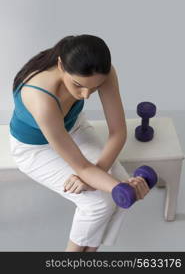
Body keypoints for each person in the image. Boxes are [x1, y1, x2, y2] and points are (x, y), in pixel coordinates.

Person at [9, 34, 149, 252]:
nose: (85, 96)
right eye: (78, 85)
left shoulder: (105, 72)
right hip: (34, 148)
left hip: (73, 128)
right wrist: (116, 186)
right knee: (98, 203)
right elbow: (81, 167)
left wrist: (110, 181)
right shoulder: (39, 96)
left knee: (117, 193)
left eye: (94, 88)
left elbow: (118, 132)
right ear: (60, 65)